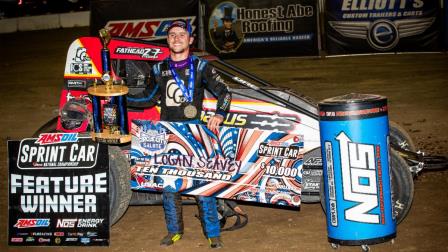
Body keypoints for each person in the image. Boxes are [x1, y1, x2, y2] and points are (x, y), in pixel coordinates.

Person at [130, 19, 232, 248]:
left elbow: (224, 92)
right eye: (172, 35)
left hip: (195, 131)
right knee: (169, 186)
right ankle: (174, 231)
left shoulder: (201, 66)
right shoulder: (158, 68)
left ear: (190, 40)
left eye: (181, 35)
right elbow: (147, 98)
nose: (177, 38)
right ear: (168, 40)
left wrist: (220, 114)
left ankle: (213, 233)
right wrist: (119, 95)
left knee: (203, 186)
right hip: (167, 133)